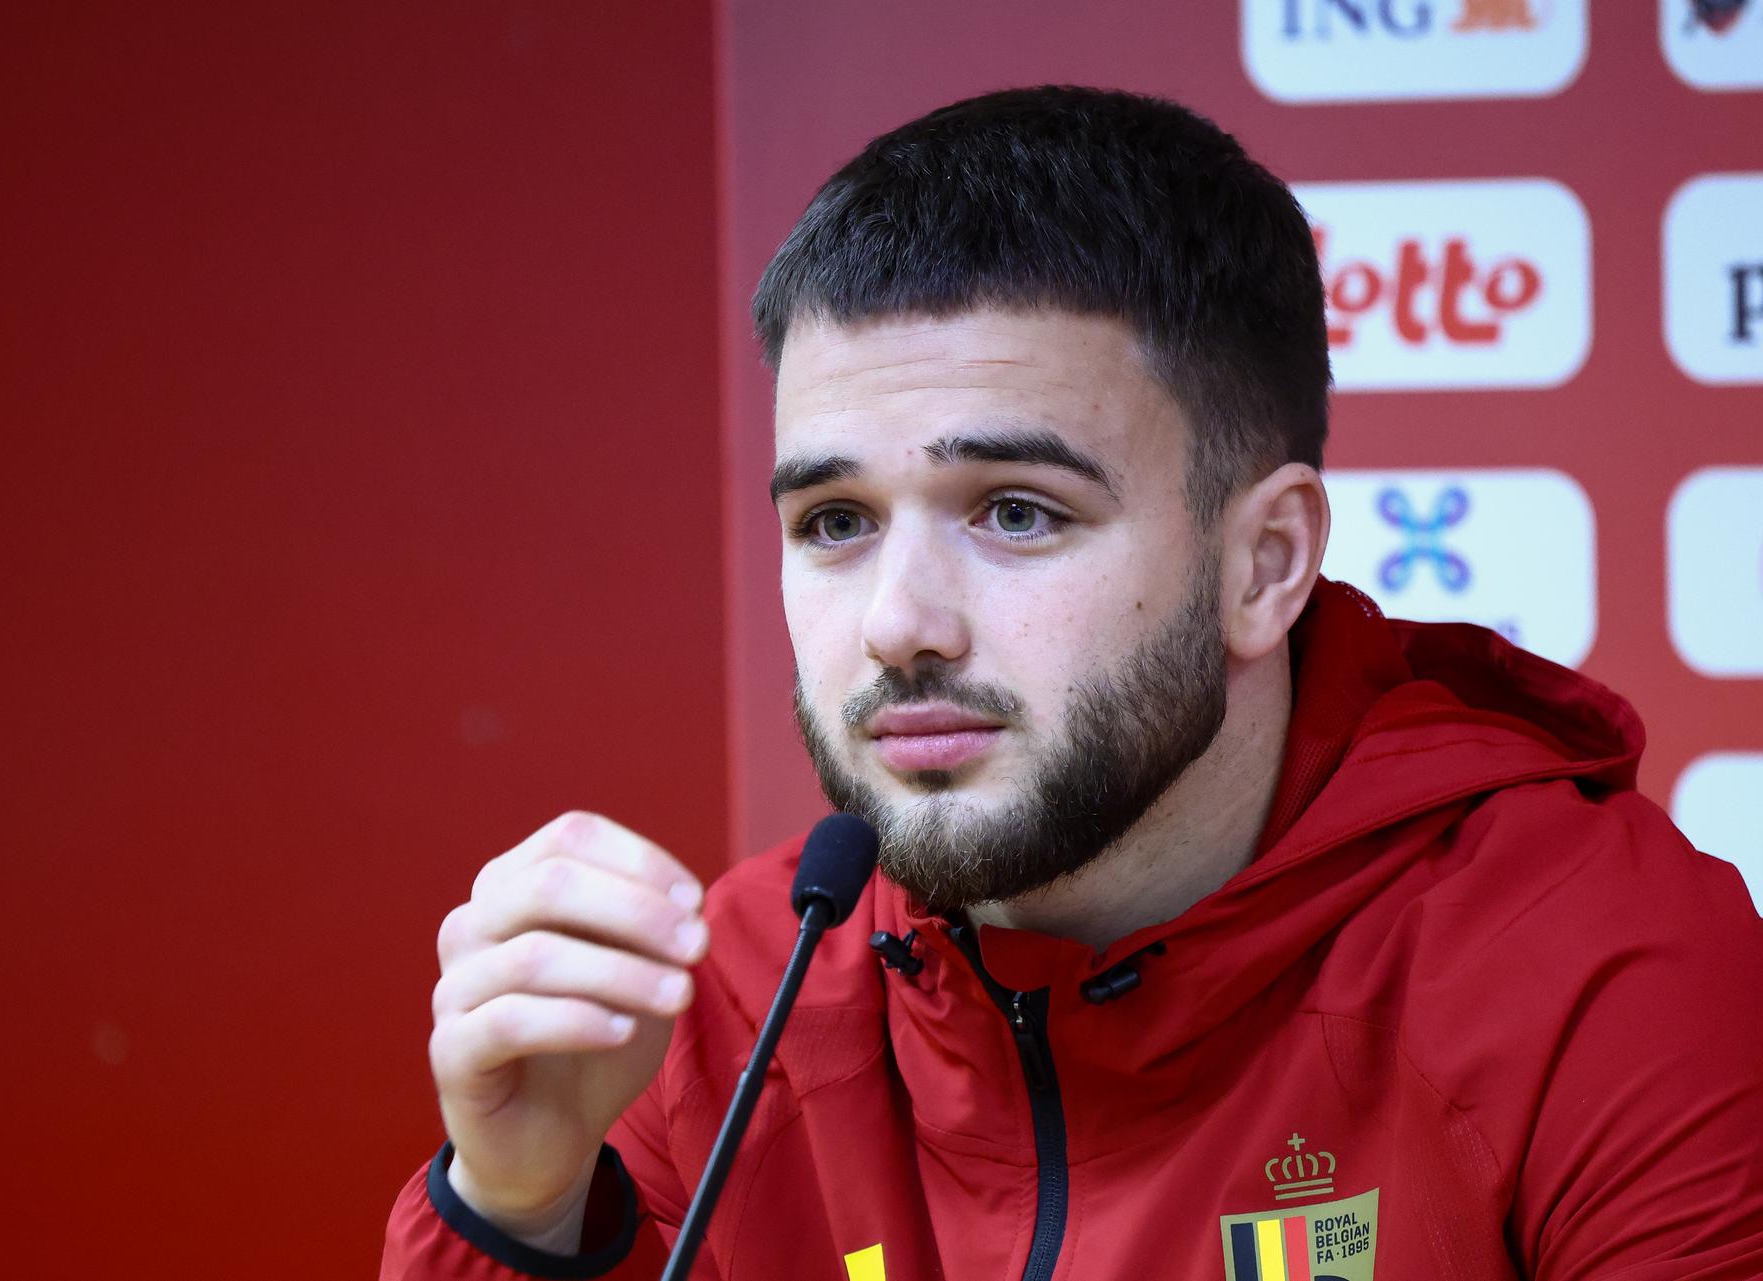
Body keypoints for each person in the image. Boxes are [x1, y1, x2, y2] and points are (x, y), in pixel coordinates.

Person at [381, 86, 1763, 1280]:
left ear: (1264, 562)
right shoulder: (725, 1004)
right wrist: (516, 1212)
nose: (897, 626)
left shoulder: (1597, 963)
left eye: (1018, 512)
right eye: (835, 522)